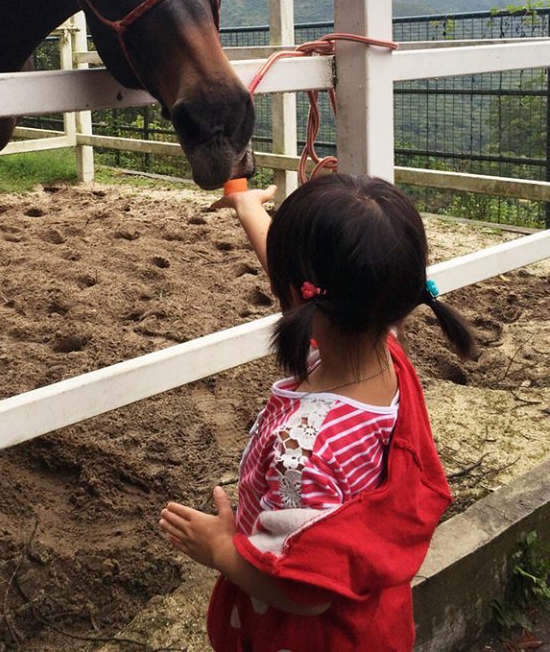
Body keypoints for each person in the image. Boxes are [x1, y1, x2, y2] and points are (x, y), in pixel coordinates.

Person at [159, 173, 475, 652]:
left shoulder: (299, 452)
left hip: (307, 634)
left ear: (299, 294)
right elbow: (312, 292)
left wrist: (222, 550)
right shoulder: (386, 354)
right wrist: (248, 210)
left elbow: (305, 591)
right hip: (373, 618)